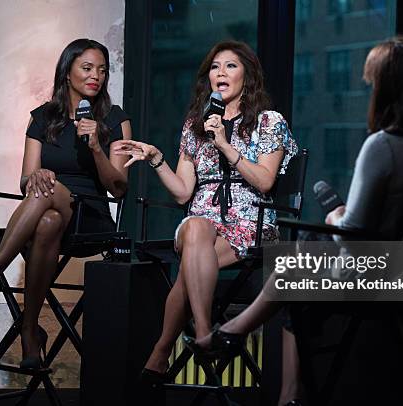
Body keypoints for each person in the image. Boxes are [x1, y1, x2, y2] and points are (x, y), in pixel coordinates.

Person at [195, 36, 403, 405]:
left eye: (374, 83)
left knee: (297, 258)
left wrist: (336, 213)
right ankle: (251, 351)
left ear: (388, 89)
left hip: (390, 280)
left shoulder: (386, 146)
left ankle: (263, 366)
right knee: (305, 260)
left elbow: (351, 236)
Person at [113, 40, 298, 381]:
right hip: (201, 218)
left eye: (230, 65)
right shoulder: (196, 125)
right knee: (196, 226)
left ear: (248, 75)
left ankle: (162, 350)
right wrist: (157, 160)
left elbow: (266, 181)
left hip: (250, 221)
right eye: (215, 67)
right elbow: (184, 192)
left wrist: (226, 145)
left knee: (191, 266)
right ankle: (203, 332)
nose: (221, 72)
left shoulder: (268, 121)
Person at [0, 38, 131, 369]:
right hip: (49, 208)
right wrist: (38, 176)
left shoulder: (115, 119)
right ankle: (31, 334)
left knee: (48, 191)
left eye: (102, 70)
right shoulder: (43, 118)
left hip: (90, 215)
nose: (96, 77)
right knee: (47, 218)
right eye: (87, 68)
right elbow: (25, 181)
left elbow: (118, 189)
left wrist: (95, 147)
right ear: (67, 72)